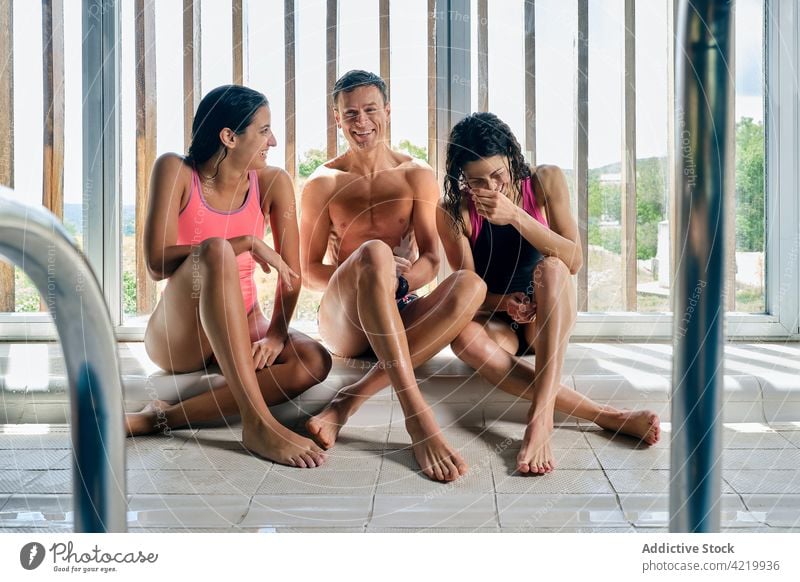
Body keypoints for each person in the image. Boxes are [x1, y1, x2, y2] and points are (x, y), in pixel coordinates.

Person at [438, 112, 660, 475]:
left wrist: (515, 215)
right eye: (478, 182)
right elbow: (468, 287)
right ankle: (606, 416)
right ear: (462, 179)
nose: (491, 188)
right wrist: (505, 303)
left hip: (547, 313)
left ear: (512, 157)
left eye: (498, 175)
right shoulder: (454, 211)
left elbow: (574, 259)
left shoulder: (545, 181)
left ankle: (540, 418)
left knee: (553, 268)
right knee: (462, 338)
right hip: (499, 319)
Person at [126, 85, 332, 469]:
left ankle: (162, 418)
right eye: (264, 131)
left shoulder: (273, 182)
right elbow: (156, 265)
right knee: (218, 250)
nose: (272, 140)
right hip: (181, 334)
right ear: (229, 137)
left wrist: (276, 334)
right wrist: (244, 242)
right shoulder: (176, 170)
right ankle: (257, 423)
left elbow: (292, 275)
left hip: (243, 319)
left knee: (313, 361)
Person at [300, 70, 486, 482]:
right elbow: (309, 270)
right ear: (336, 118)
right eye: (350, 113)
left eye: (370, 110)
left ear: (387, 110)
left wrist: (398, 283)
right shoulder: (322, 183)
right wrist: (374, 270)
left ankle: (346, 403)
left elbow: (434, 259)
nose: (361, 122)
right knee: (374, 252)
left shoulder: (415, 174)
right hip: (345, 319)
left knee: (471, 284)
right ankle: (416, 416)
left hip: (399, 306)